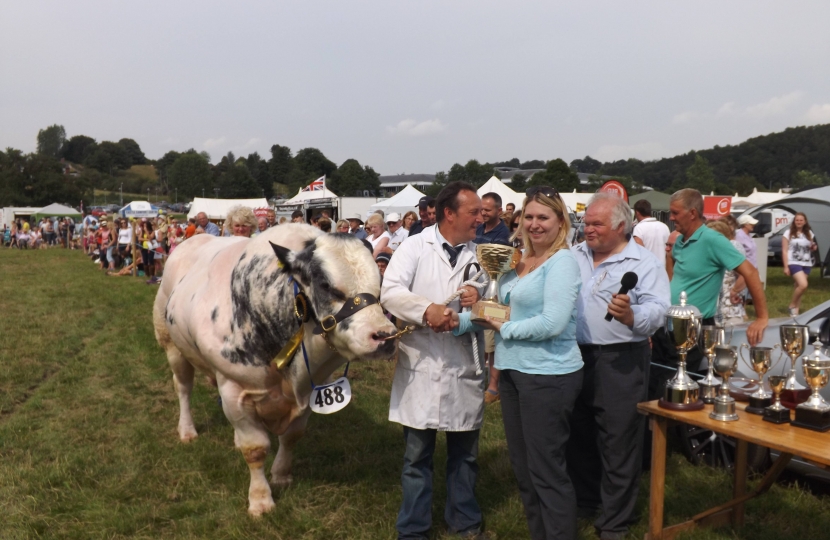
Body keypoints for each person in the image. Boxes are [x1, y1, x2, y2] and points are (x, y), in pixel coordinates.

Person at [453, 185, 582, 540]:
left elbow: (551, 324)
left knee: (547, 472)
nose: (535, 224)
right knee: (525, 471)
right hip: (513, 373)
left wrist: (502, 327)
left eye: (544, 217)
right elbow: (495, 310)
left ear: (561, 222)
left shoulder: (563, 263)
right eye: (529, 216)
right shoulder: (517, 260)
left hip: (549, 376)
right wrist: (457, 322)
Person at [381, 181, 487, 540]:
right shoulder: (414, 247)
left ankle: (465, 521)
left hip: (463, 367)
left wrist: (479, 296)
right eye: (474, 212)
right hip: (422, 363)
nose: (481, 217)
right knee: (416, 457)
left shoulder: (482, 254)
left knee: (466, 455)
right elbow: (390, 292)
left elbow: (497, 305)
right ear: (449, 213)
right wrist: (426, 310)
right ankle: (413, 529)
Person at [567, 193, 670, 540]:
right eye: (587, 222)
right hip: (573, 356)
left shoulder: (643, 263)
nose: (588, 229)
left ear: (621, 226)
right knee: (578, 432)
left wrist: (632, 315)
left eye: (597, 224)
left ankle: (614, 521)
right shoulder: (573, 254)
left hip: (620, 359)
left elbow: (658, 309)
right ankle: (585, 499)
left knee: (619, 440)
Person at [668, 188, 768, 351]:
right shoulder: (679, 240)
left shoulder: (713, 240)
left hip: (694, 327)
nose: (671, 218)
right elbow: (672, 265)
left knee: (685, 375)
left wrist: (762, 317)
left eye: (675, 213)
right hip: (672, 322)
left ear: (692, 213)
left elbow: (751, 272)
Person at [706, 220, 747, 325]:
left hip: (730, 311)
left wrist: (734, 291)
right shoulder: (708, 252)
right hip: (714, 312)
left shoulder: (733, 247)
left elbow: (746, 274)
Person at [783, 212, 818, 316]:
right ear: (794, 221)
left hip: (806, 262)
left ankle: (795, 312)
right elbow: (784, 250)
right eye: (797, 220)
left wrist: (813, 247)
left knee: (798, 286)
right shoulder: (788, 233)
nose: (799, 222)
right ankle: (792, 305)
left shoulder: (809, 233)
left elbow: (811, 246)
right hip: (793, 262)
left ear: (805, 221)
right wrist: (785, 266)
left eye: (801, 220)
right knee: (803, 285)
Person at [632, 199, 670, 268]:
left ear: (637, 213)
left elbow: (638, 252)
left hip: (648, 270)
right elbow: (669, 252)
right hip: (663, 270)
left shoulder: (639, 228)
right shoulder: (665, 227)